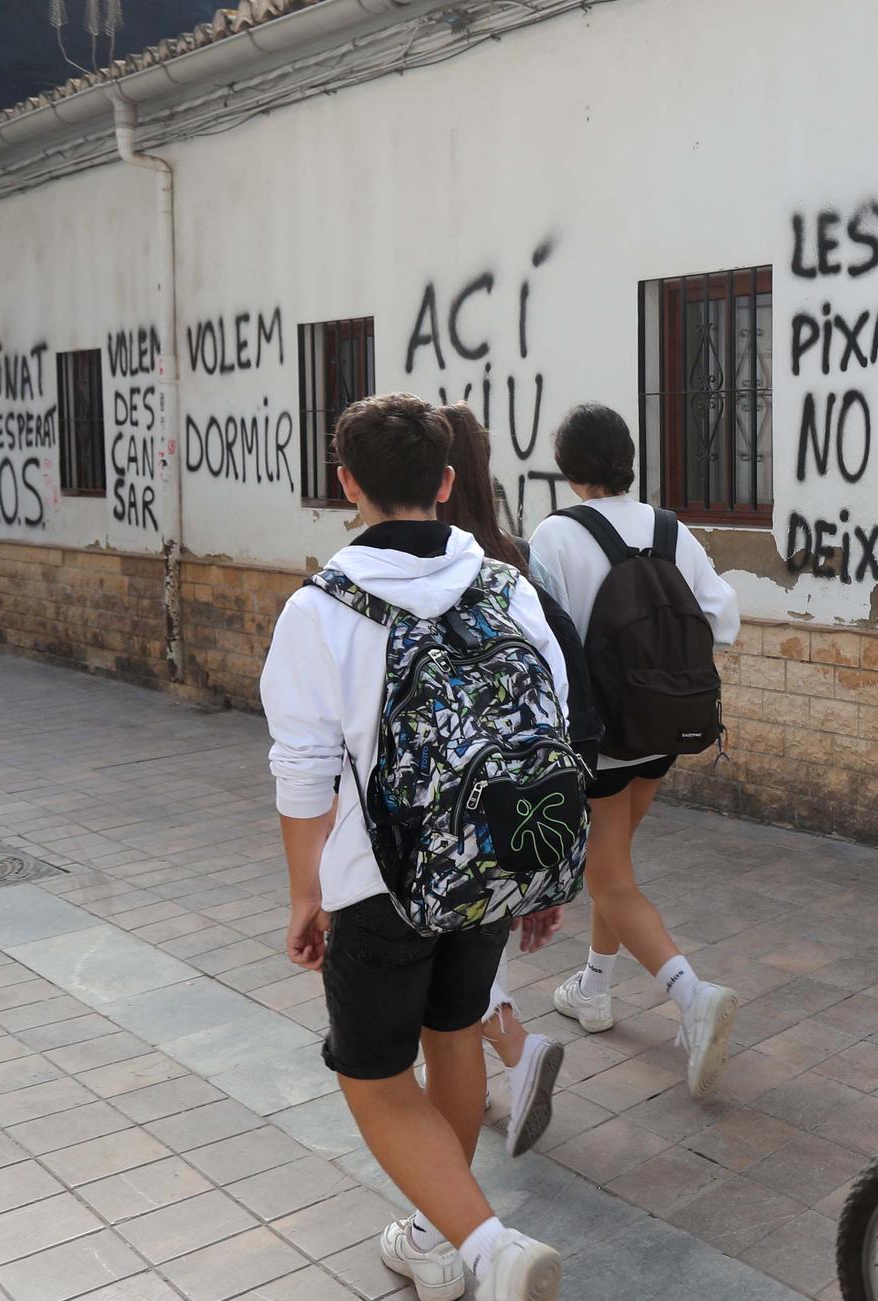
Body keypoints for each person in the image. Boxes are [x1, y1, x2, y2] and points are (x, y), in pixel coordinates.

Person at [264, 393, 565, 1301]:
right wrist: (540, 872)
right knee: (455, 1032)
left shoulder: (319, 609)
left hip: (376, 884)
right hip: (490, 863)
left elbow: (303, 772)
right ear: (444, 482)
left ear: (346, 482)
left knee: (373, 1073)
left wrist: (304, 894)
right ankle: (437, 1236)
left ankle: (485, 1246)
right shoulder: (508, 585)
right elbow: (545, 731)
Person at [526, 402, 743, 1097]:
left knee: (610, 877)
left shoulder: (554, 537)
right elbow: (723, 617)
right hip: (660, 730)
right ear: (627, 457)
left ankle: (693, 995)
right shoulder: (670, 527)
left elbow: (541, 647)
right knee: (612, 871)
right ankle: (592, 987)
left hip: (596, 738)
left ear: (567, 466)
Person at [434, 402, 569, 1157]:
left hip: (442, 802)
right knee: (475, 940)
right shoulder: (516, 557)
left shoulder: (420, 563)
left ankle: (514, 1049)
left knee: (446, 949)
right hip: (520, 793)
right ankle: (492, 1067)